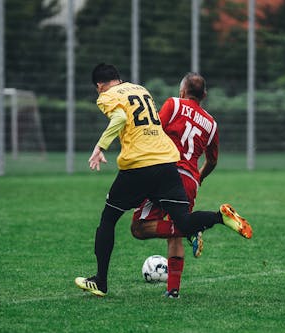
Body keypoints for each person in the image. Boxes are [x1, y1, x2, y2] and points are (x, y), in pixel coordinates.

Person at [74, 63, 252, 297]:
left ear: (99, 86)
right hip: (169, 165)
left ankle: (101, 282)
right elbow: (157, 129)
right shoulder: (141, 90)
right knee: (184, 223)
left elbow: (121, 118)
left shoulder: (114, 96)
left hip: (140, 164)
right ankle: (219, 218)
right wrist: (197, 178)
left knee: (111, 220)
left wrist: (100, 146)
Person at [130, 72, 219, 298]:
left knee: (139, 228)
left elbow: (154, 131)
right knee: (176, 234)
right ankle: (173, 290)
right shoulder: (211, 123)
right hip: (189, 181)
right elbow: (213, 160)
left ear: (182, 91)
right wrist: (198, 178)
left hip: (164, 173)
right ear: (204, 95)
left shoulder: (174, 104)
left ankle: (189, 227)